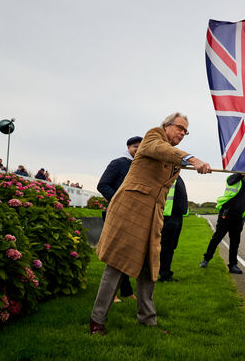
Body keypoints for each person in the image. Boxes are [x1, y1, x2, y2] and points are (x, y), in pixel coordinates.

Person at [90, 112, 211, 335]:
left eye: (186, 131)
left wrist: (192, 163)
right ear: (166, 126)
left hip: (153, 217)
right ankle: (97, 321)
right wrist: (193, 159)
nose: (182, 133)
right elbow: (163, 150)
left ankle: (147, 320)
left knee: (150, 268)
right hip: (130, 212)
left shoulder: (174, 159)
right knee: (117, 265)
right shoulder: (153, 137)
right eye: (180, 128)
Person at [96, 135, 143, 303]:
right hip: (116, 213)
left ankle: (126, 290)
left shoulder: (141, 165)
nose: (138, 149)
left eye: (141, 146)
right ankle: (112, 294)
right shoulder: (118, 163)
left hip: (133, 215)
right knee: (115, 253)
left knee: (126, 253)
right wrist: (118, 200)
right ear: (129, 147)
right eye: (135, 146)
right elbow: (102, 185)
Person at [199, 173, 245, 274]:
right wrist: (240, 173)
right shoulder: (232, 178)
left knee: (235, 243)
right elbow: (231, 181)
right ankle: (206, 259)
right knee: (217, 238)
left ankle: (233, 265)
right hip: (226, 215)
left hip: (238, 218)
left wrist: (243, 217)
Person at [158, 176, 188, 282]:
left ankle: (166, 272)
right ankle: (164, 274)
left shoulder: (178, 176)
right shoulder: (168, 174)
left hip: (178, 215)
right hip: (168, 215)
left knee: (171, 246)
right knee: (166, 246)